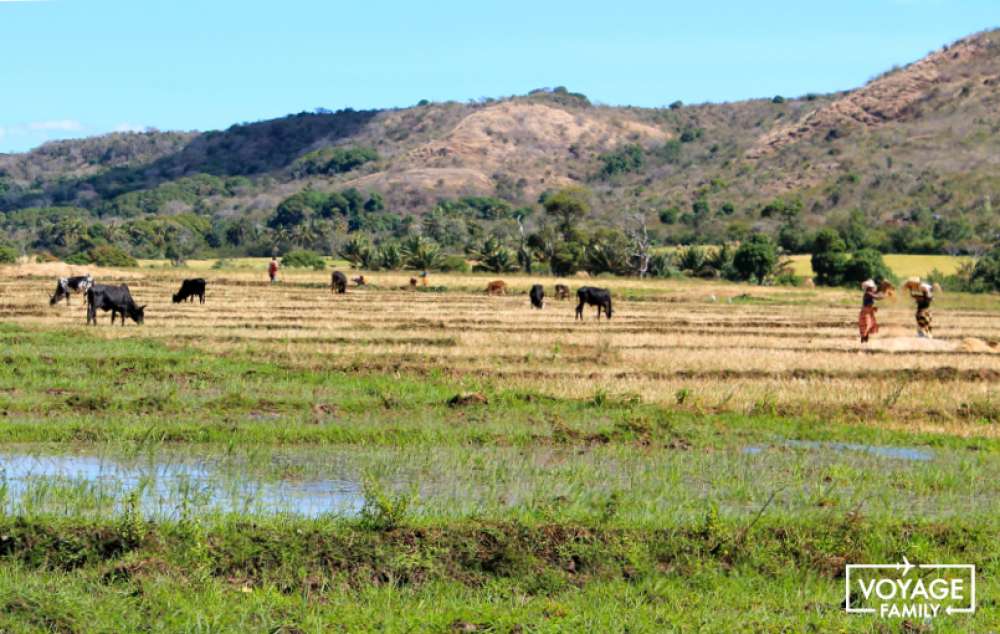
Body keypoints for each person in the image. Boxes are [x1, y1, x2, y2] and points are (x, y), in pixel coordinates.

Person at [858, 279, 885, 343]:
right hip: (866, 313)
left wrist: (883, 291)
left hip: (868, 312)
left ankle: (865, 343)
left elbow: (878, 294)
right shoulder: (868, 293)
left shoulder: (869, 293)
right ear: (869, 288)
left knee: (868, 327)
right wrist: (885, 295)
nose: (873, 288)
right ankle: (863, 342)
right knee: (866, 327)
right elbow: (877, 297)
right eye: (872, 287)